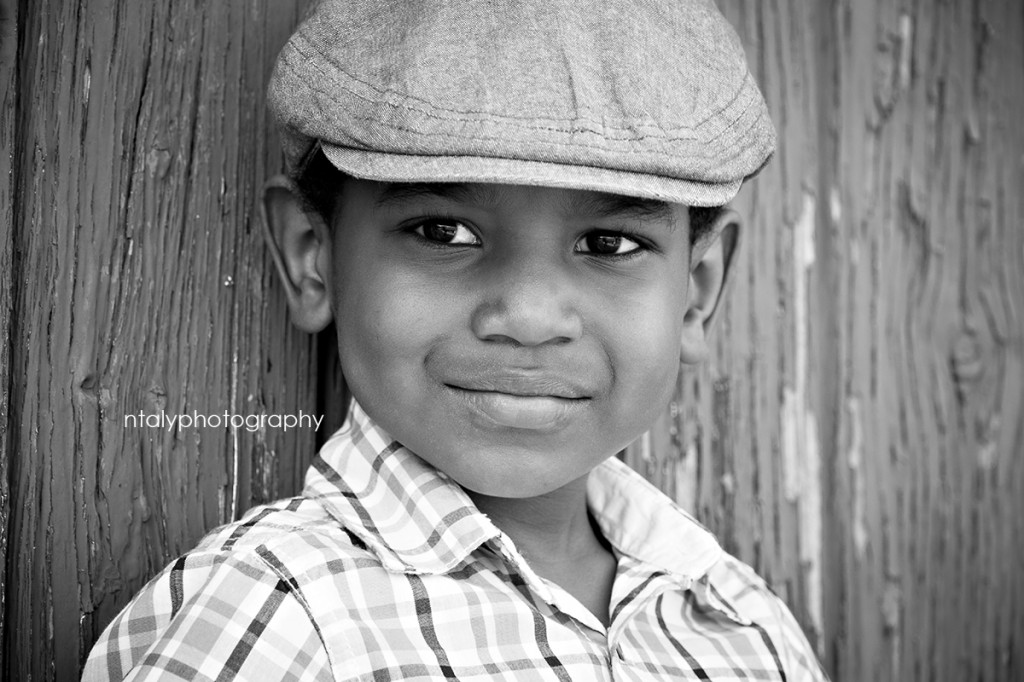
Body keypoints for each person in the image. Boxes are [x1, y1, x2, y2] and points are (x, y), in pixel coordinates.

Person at [84, 0, 829, 679]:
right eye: (444, 231)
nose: (531, 317)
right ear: (315, 258)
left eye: (608, 243)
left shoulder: (743, 626)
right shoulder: (274, 620)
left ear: (696, 294)